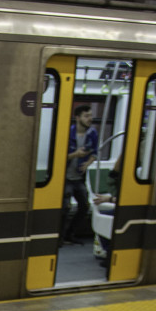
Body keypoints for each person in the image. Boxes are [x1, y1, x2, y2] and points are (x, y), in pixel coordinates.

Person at [61, 103, 98, 245]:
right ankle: (60, 238)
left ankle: (71, 234)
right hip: (66, 177)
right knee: (65, 207)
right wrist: (75, 155)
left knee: (84, 206)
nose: (90, 119)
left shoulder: (92, 133)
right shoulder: (68, 133)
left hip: (79, 177)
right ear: (77, 117)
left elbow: (94, 152)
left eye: (91, 115)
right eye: (86, 116)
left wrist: (88, 162)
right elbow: (59, 157)